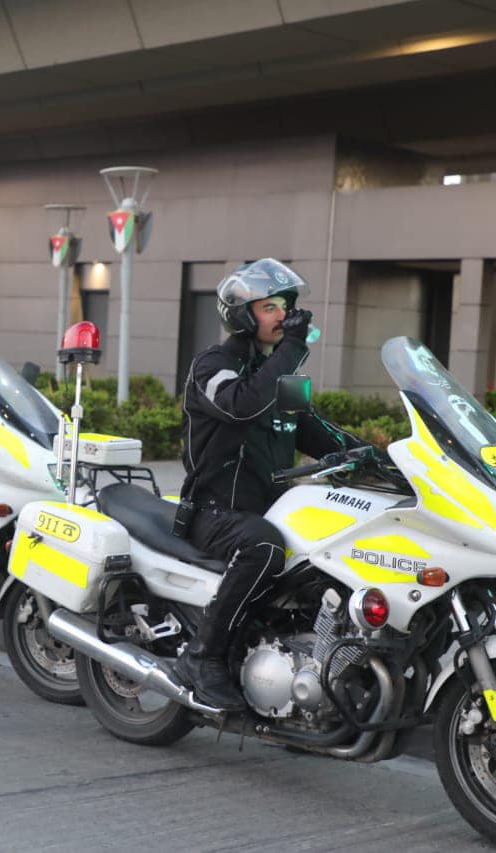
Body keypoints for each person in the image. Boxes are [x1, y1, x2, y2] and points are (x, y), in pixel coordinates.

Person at [176, 258, 363, 711]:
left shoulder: (281, 376)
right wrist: (293, 346)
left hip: (270, 507)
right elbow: (242, 405)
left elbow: (314, 430)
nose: (283, 316)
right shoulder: (213, 366)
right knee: (262, 546)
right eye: (270, 307)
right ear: (242, 316)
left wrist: (374, 457)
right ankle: (202, 657)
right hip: (215, 511)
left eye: (286, 306)